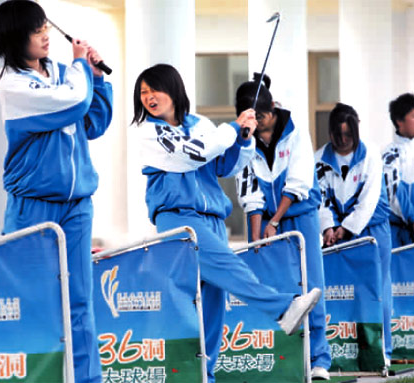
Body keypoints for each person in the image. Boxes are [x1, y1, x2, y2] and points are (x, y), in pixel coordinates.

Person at [132, 63, 322, 383]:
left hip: (213, 220)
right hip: (179, 220)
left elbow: (225, 165)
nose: (149, 97)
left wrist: (244, 139)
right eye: (143, 93)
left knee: (212, 306)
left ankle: (205, 375)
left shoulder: (202, 124)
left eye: (155, 90)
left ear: (173, 89)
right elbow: (191, 155)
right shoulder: (150, 132)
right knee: (230, 268)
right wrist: (231, 130)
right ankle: (283, 308)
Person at [0, 1, 113, 382]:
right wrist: (82, 67)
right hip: (32, 207)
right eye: (35, 30)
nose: (45, 35)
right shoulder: (10, 84)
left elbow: (92, 122)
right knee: (32, 302)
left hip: (76, 207)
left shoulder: (65, 73)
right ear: (15, 38)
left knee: (79, 303)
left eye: (45, 26)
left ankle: (87, 378)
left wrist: (98, 77)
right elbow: (74, 101)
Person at [234, 73, 331, 380]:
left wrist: (275, 221)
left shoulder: (296, 134)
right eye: (250, 117)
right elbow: (250, 192)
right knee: (270, 286)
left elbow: (298, 183)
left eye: (260, 116)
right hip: (264, 221)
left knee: (311, 284)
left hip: (299, 216)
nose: (256, 123)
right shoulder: (245, 141)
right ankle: (280, 355)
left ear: (271, 110)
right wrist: (256, 236)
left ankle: (320, 359)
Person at [314, 103, 393, 365]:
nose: (345, 141)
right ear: (331, 133)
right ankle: (346, 351)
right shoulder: (319, 159)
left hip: (371, 229)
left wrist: (346, 228)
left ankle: (383, 352)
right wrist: (328, 228)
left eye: (349, 135)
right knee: (342, 290)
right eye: (339, 135)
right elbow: (320, 201)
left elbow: (369, 201)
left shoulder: (370, 154)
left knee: (376, 289)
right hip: (335, 234)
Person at [382, 93, 414, 248]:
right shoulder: (389, 155)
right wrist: (413, 219)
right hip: (399, 233)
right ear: (399, 121)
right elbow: (393, 192)